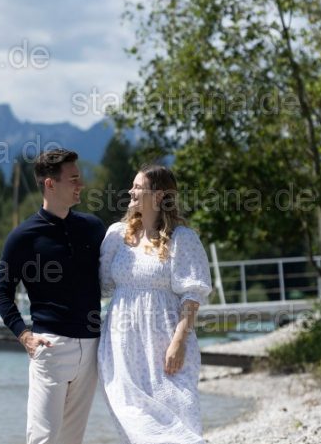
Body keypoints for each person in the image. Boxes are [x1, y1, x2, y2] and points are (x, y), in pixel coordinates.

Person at [0, 148, 106, 444]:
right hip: (51, 347)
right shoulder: (23, 237)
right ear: (50, 184)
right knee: (43, 438)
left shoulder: (93, 228)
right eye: (74, 179)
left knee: (72, 440)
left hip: (92, 347)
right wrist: (24, 335)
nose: (81, 185)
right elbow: (1, 292)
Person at [98, 164, 212, 444]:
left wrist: (178, 342)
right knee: (133, 417)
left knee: (178, 410)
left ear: (159, 196)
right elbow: (101, 284)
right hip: (122, 344)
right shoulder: (117, 235)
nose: (130, 192)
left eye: (138, 187)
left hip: (164, 342)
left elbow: (193, 294)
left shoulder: (182, 238)